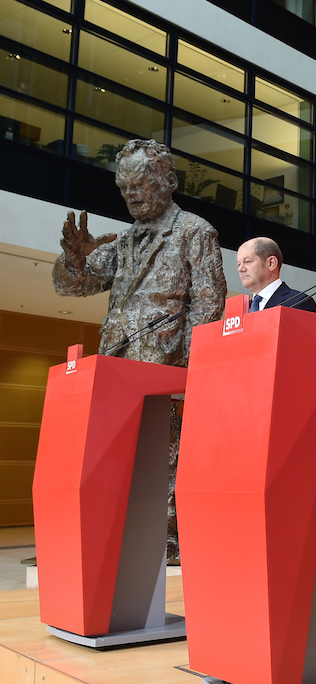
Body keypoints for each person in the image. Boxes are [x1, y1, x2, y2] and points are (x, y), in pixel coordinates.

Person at [53, 138, 227, 565]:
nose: (131, 193)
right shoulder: (125, 241)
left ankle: (167, 545)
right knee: (114, 457)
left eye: (140, 183)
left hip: (162, 371)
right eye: (124, 185)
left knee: (165, 461)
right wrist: (72, 258)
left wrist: (189, 374)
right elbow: (72, 286)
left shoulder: (194, 232)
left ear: (168, 181)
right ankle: (119, 536)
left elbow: (207, 305)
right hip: (115, 370)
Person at [236, 236, 316, 312]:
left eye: (247, 262)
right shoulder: (242, 310)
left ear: (271, 263)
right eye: (239, 264)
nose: (240, 269)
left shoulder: (298, 302)